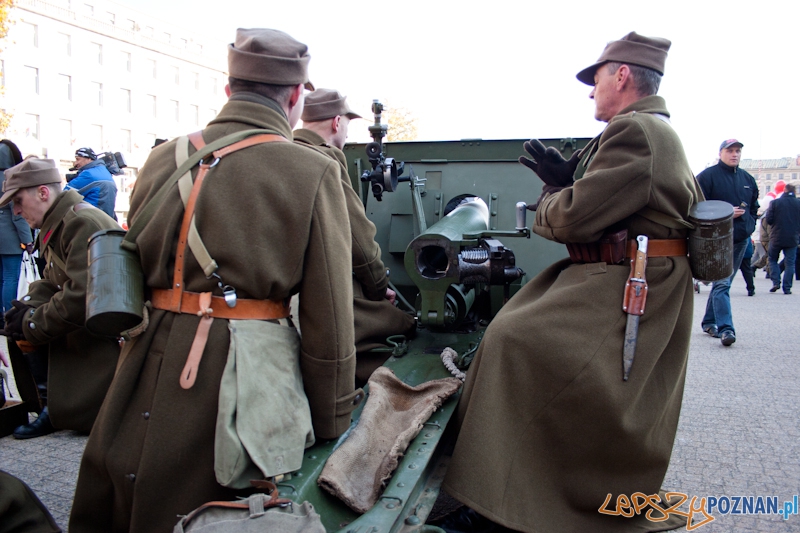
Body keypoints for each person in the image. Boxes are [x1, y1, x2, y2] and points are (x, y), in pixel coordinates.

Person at [70, 29, 360, 533]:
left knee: (130, 481)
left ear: (229, 91)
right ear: (295, 97)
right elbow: (328, 313)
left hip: (146, 357)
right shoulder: (312, 170)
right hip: (241, 372)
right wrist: (331, 416)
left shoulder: (165, 157)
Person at [441, 32, 701, 533]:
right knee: (513, 335)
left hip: (630, 283)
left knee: (514, 341)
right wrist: (569, 184)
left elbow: (572, 220)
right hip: (625, 276)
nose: (590, 91)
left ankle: (508, 503)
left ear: (622, 75)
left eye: (597, 79)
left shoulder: (637, 132)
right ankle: (512, 487)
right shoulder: (646, 130)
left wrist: (553, 193)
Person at [293, 88, 416, 382]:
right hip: (319, 294)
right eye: (347, 123)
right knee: (404, 328)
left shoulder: (281, 152)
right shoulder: (326, 163)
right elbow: (360, 243)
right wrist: (379, 288)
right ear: (337, 122)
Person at [0, 158, 120, 439]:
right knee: (23, 322)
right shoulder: (60, 221)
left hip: (110, 330)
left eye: (18, 201)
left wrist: (32, 321)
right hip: (94, 317)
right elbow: (53, 279)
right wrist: (27, 306)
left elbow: (82, 295)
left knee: (33, 326)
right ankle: (50, 404)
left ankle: (57, 409)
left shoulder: (80, 223)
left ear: (43, 193)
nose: (16, 211)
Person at [696, 139, 759, 346]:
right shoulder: (707, 177)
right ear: (721, 153)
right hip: (716, 238)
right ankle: (726, 329)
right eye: (730, 150)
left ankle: (709, 321)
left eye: (738, 151)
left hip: (740, 238)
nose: (735, 154)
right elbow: (696, 207)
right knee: (722, 283)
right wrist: (725, 214)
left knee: (724, 284)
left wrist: (749, 223)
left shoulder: (747, 178)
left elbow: (753, 207)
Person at [0, 140, 33, 315]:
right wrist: (27, 240)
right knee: (10, 277)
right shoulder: (10, 180)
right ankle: (9, 314)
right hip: (10, 238)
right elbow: (17, 215)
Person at [64, 147, 118, 220]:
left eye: (78, 159)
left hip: (91, 221)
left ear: (89, 158)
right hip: (107, 222)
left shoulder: (88, 174)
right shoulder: (106, 172)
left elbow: (64, 195)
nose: (76, 163)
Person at [765, 183, 800, 294]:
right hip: (793, 237)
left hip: (777, 236)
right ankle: (787, 288)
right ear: (794, 192)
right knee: (790, 263)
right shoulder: (798, 203)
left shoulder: (775, 203)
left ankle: (776, 282)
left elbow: (769, 220)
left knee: (772, 259)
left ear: (784, 190)